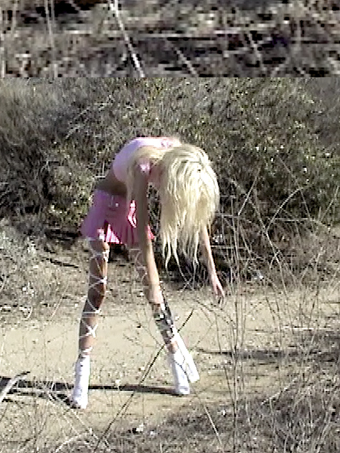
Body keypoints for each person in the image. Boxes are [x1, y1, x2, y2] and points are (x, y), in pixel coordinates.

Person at [69, 137, 225, 410]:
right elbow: (142, 231)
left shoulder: (179, 158)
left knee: (157, 299)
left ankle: (176, 361)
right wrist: (153, 284)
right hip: (106, 205)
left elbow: (199, 217)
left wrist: (212, 270)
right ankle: (82, 372)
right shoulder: (144, 163)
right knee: (98, 291)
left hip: (128, 209)